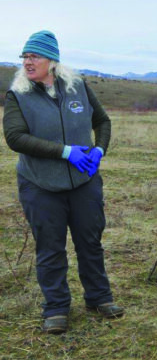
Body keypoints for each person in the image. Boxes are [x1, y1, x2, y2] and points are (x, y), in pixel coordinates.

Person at [3, 30, 123, 334]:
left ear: (52, 61)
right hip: (40, 184)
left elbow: (102, 121)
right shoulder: (18, 94)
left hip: (84, 182)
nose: (28, 62)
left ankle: (99, 298)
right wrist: (65, 152)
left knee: (90, 241)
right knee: (51, 247)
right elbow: (15, 137)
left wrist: (99, 149)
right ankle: (56, 308)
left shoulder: (78, 86)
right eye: (25, 57)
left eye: (34, 56)